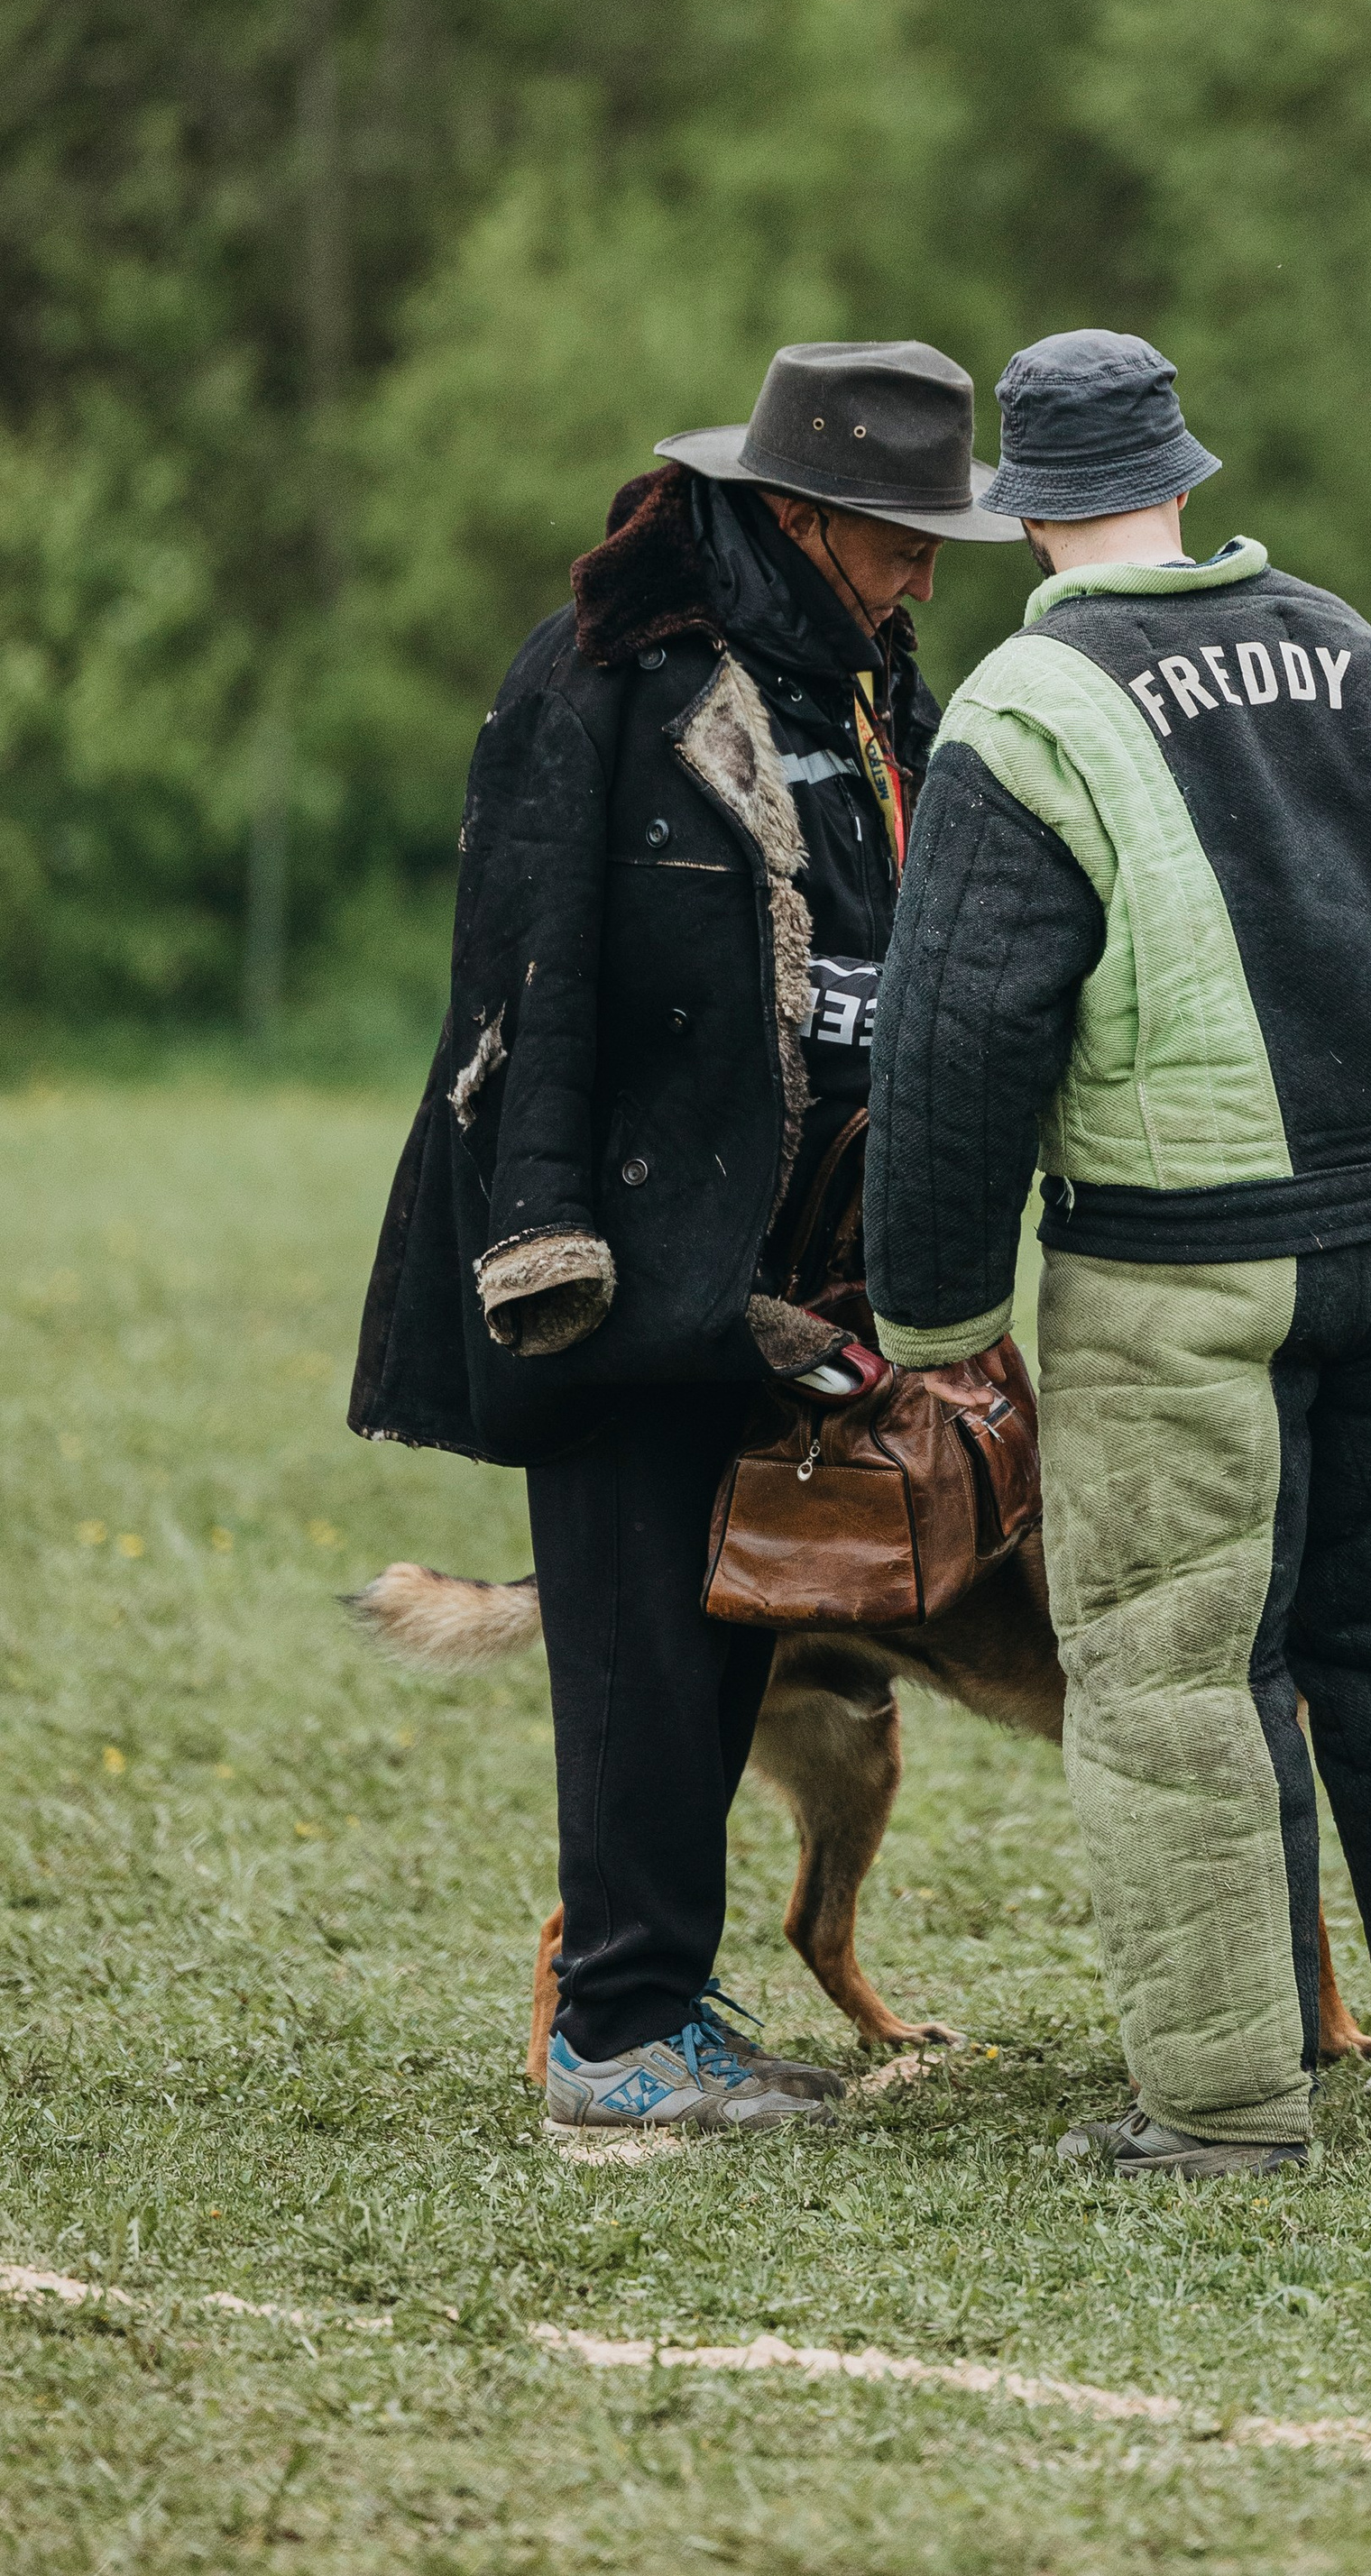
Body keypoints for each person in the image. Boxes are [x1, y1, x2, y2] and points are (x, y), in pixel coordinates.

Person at [862, 328, 1371, 2177]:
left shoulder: (1021, 708)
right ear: (1183, 479)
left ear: (1026, 513)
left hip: (1186, 1270)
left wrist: (933, 1313)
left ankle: (1229, 2109)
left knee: (1175, 1668)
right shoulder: (1351, 644)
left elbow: (957, 1040)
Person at [347, 340, 1019, 2129]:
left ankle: (661, 2007)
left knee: (722, 1640)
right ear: (802, 514)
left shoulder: (868, 677)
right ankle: (616, 2039)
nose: (924, 572)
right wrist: (550, 1240)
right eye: (898, 535)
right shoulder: (607, 675)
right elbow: (523, 979)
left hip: (788, 1281)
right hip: (624, 1271)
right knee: (641, 1654)